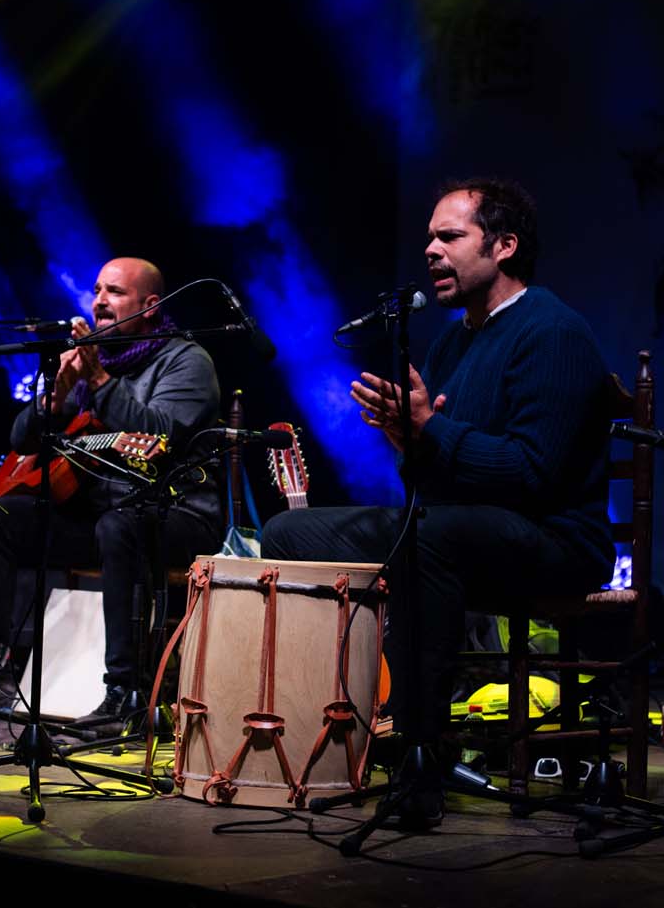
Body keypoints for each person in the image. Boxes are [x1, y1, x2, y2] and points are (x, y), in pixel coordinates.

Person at [262, 178, 614, 825]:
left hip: (556, 537)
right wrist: (410, 439)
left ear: (504, 246)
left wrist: (431, 431)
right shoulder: (452, 340)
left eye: (449, 236)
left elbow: (535, 474)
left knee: (429, 539)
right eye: (428, 236)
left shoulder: (554, 332)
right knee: (290, 533)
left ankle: (420, 759)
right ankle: (310, 737)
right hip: (465, 526)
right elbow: (443, 477)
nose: (429, 249)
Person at [0, 257, 223, 728]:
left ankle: (122, 691)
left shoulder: (185, 361)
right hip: (100, 512)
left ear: (150, 305)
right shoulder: (95, 358)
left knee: (120, 526)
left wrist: (99, 382)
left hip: (178, 514)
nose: (99, 303)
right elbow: (22, 441)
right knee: (0, 513)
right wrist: (55, 396)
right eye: (96, 291)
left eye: (114, 292)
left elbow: (160, 436)